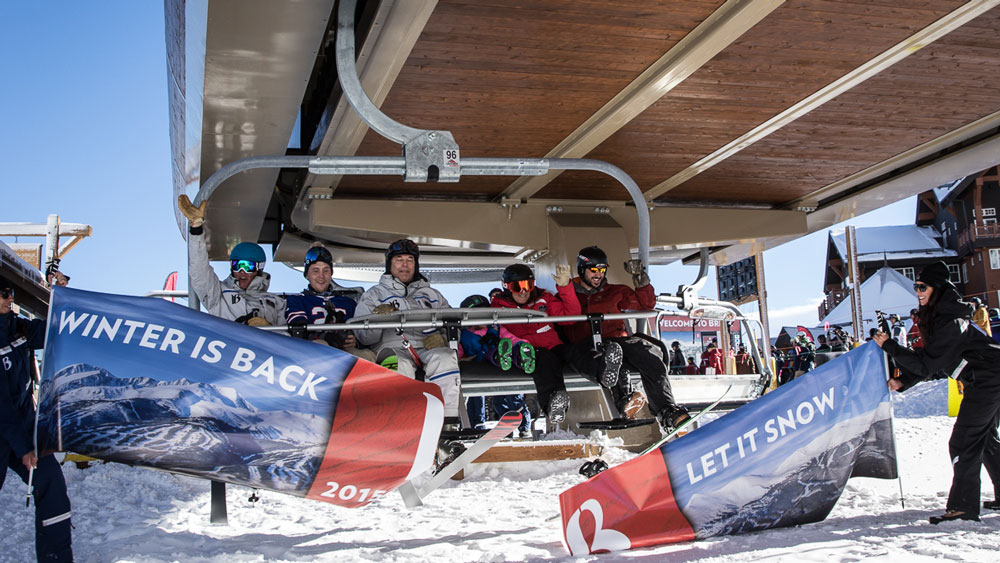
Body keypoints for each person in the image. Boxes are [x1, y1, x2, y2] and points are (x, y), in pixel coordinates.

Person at [875, 261, 1000, 524]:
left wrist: (891, 347)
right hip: (987, 378)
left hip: (989, 381)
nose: (918, 291)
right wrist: (904, 381)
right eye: (916, 286)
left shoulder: (951, 321)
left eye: (923, 287)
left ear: (938, 288)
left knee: (963, 442)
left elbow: (927, 364)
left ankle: (963, 508)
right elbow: (934, 361)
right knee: (985, 440)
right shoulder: (943, 316)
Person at [562, 246, 689, 432]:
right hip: (586, 343)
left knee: (647, 353)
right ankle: (624, 401)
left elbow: (645, 305)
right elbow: (563, 315)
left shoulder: (616, 291)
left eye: (602, 270)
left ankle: (667, 410)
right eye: (593, 270)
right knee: (608, 360)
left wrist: (642, 283)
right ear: (582, 270)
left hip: (615, 339)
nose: (598, 274)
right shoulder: (570, 295)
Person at [0, 275, 73, 562]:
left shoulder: (17, 328)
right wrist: (23, 448)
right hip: (9, 430)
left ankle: (56, 557)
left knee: (51, 482)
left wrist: (63, 297)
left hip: (21, 429)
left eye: (11, 293)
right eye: (4, 294)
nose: (10, 298)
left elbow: (54, 330)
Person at [354, 239, 462, 420]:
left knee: (445, 357)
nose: (404, 265)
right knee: (397, 363)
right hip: (394, 346)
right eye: (399, 259)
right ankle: (401, 420)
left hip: (428, 347)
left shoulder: (432, 294)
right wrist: (378, 319)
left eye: (410, 260)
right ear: (390, 264)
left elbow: (453, 323)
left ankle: (446, 421)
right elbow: (364, 338)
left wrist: (444, 338)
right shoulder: (374, 295)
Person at [490, 263, 579, 424]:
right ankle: (553, 403)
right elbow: (490, 329)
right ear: (507, 287)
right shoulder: (499, 307)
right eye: (517, 286)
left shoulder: (543, 298)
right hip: (528, 351)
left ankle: (605, 374)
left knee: (575, 352)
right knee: (545, 359)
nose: (524, 291)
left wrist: (564, 287)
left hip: (553, 345)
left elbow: (570, 316)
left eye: (528, 285)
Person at [178, 195, 285, 326]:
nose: (242, 271)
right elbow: (199, 272)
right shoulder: (219, 295)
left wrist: (270, 329)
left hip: (262, 346)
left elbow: (288, 338)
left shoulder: (275, 302)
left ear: (259, 269)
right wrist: (196, 228)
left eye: (248, 266)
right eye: (237, 265)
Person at [458, 294, 533, 436]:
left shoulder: (496, 329)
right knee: (479, 398)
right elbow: (459, 350)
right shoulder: (465, 334)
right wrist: (460, 359)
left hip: (499, 368)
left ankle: (523, 426)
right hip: (478, 366)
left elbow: (511, 338)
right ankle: (477, 427)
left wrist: (522, 345)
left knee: (510, 396)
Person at [285, 244, 373, 360]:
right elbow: (298, 332)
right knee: (322, 346)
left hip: (346, 353)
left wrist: (354, 341)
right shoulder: (297, 300)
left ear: (331, 273)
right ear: (307, 275)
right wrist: (325, 337)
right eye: (315, 271)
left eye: (326, 270)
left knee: (367, 356)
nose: (321, 276)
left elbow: (363, 334)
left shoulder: (347, 302)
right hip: (313, 353)